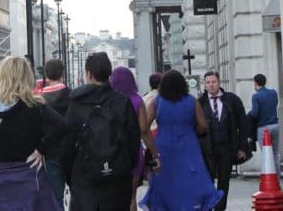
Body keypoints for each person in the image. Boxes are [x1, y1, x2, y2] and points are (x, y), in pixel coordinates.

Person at [0, 55, 65, 210]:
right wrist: (41, 149)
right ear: (26, 76)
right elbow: (62, 126)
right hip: (29, 176)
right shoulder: (35, 105)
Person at [61, 52, 141, 211]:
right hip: (117, 178)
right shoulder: (122, 101)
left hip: (85, 179)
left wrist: (72, 177)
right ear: (109, 74)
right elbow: (134, 141)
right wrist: (123, 166)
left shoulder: (76, 103)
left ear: (88, 74)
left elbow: (67, 144)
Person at [138, 71, 222, 211]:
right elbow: (203, 125)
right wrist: (192, 132)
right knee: (190, 181)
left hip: (163, 147)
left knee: (166, 182)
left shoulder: (157, 101)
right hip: (189, 145)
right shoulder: (191, 100)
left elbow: (144, 127)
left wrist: (152, 149)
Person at [196, 71, 252, 211]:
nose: (211, 85)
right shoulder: (199, 102)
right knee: (207, 182)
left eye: (213, 82)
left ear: (219, 82)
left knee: (224, 182)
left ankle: (220, 209)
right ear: (204, 84)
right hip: (207, 149)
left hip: (227, 148)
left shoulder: (232, 100)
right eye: (208, 82)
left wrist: (243, 147)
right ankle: (208, 207)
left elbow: (243, 124)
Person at [108, 67, 146, 211]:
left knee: (114, 195)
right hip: (134, 151)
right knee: (131, 196)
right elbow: (143, 129)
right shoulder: (137, 100)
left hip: (113, 152)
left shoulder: (110, 100)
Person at [39, 58, 71, 201]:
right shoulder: (72, 96)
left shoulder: (40, 100)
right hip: (70, 148)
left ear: (46, 74)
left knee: (57, 193)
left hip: (50, 150)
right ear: (62, 73)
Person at [248, 74, 279, 170]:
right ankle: (276, 178)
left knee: (266, 154)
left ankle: (268, 176)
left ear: (256, 83)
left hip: (263, 128)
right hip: (275, 125)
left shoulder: (256, 96)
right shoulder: (273, 93)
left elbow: (255, 113)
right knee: (275, 154)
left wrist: (248, 116)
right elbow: (275, 104)